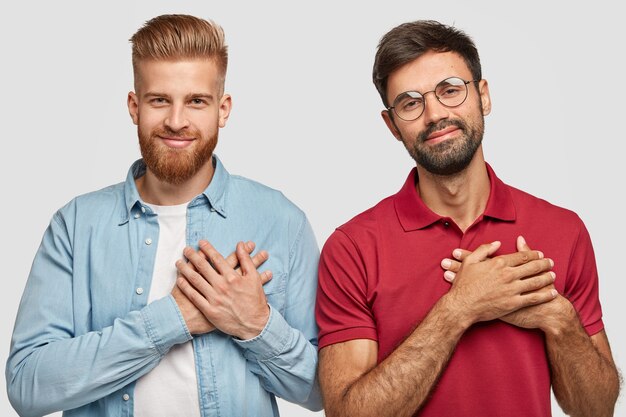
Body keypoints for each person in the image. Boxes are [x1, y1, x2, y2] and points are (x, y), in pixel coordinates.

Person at [6, 14, 320, 417]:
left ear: (222, 109)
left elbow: (319, 392)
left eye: (196, 101)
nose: (176, 121)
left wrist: (256, 324)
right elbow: (27, 385)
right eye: (159, 100)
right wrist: (169, 320)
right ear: (134, 107)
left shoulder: (281, 220)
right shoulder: (75, 226)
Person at [315, 20, 620, 417]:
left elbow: (596, 410)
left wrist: (558, 318)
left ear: (483, 96)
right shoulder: (352, 248)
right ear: (392, 125)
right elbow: (347, 413)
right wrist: (459, 308)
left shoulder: (564, 230)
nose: (435, 114)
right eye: (410, 102)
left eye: (450, 91)